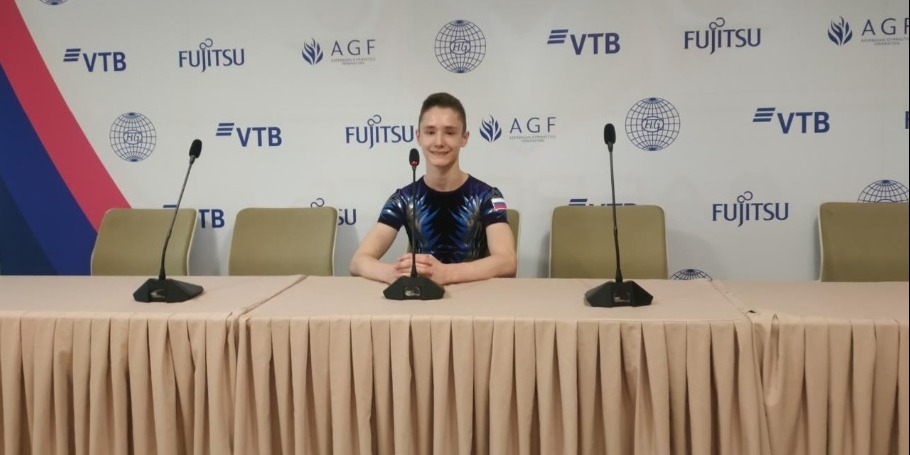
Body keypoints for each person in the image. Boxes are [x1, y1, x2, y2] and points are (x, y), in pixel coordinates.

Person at [349, 92, 517, 285]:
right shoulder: (403, 198)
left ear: (464, 138)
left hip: (474, 298)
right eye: (430, 132)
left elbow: (507, 262)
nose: (439, 142)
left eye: (450, 132)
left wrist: (447, 274)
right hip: (421, 299)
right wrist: (393, 273)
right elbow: (358, 261)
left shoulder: (487, 196)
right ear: (418, 137)